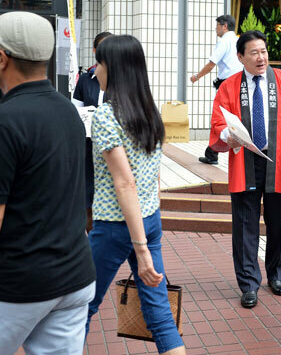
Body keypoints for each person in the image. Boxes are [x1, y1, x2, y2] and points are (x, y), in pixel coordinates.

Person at [0, 11, 96, 354]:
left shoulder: (6, 120)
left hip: (19, 281)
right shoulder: (67, 110)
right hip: (74, 275)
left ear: (2, 58)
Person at [86, 35, 185, 355]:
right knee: (160, 316)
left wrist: (140, 249)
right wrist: (146, 231)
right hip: (149, 218)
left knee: (80, 306)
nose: (95, 69)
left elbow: (124, 182)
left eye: (98, 63)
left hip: (115, 225)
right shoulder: (150, 112)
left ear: (112, 68)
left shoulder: (105, 115)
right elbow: (151, 174)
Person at [208, 30, 281, 309]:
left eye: (263, 51)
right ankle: (248, 283)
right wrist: (227, 136)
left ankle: (276, 275)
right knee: (245, 226)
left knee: (277, 222)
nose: (261, 57)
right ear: (240, 57)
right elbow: (219, 124)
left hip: (279, 162)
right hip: (245, 161)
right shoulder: (229, 87)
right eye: (253, 53)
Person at [72, 31, 112, 233]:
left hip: (113, 147)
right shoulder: (85, 79)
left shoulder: (122, 80)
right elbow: (75, 112)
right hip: (88, 146)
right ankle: (91, 236)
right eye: (102, 49)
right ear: (95, 51)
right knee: (88, 193)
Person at [191, 14, 243, 165]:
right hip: (240, 83)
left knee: (218, 118)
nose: (216, 28)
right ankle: (214, 152)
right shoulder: (239, 40)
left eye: (217, 25)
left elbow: (211, 63)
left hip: (226, 86)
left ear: (224, 26)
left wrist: (197, 76)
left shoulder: (224, 41)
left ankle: (212, 154)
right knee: (237, 117)